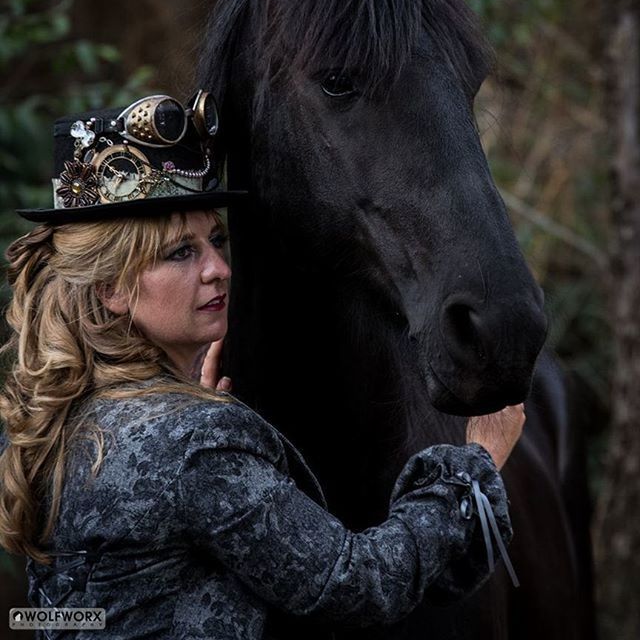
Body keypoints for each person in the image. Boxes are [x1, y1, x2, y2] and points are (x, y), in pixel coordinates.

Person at [0, 93, 525, 639]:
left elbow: (50, 617)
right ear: (111, 288)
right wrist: (473, 465)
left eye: (217, 239)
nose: (219, 269)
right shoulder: (195, 442)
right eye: (181, 253)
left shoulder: (45, 425)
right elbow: (357, 585)